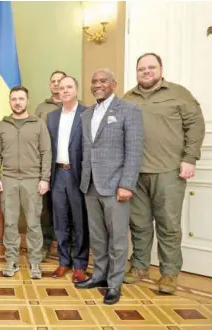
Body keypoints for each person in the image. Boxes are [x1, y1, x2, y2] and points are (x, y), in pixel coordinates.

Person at [122, 53, 205, 294]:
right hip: (135, 173)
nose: (146, 71)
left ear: (160, 69)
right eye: (142, 68)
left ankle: (169, 273)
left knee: (168, 225)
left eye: (151, 67)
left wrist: (190, 158)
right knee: (138, 224)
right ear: (136, 72)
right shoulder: (128, 98)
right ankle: (139, 266)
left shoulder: (179, 94)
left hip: (168, 171)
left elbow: (196, 126)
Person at [76, 69, 143, 305]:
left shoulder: (129, 111)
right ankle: (99, 276)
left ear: (114, 85)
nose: (97, 84)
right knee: (98, 236)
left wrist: (127, 184)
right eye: (94, 81)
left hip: (116, 186)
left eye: (103, 80)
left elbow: (134, 151)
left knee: (117, 238)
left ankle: (115, 283)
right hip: (90, 184)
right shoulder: (87, 114)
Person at [0, 86, 52, 280]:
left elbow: (46, 152)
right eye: (14, 99)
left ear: (27, 101)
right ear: (10, 102)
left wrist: (45, 178)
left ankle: (35, 262)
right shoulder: (3, 125)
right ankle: (12, 261)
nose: (17, 102)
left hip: (33, 180)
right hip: (8, 180)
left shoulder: (39, 124)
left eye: (21, 98)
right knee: (10, 223)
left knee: (34, 223)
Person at [46, 76, 89, 283]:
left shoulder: (87, 114)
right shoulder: (52, 117)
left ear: (76, 90)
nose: (64, 90)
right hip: (58, 174)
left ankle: (80, 264)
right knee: (60, 221)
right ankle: (64, 262)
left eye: (69, 87)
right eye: (61, 88)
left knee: (80, 222)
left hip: (78, 174)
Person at [34, 70, 66, 259]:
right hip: (46, 165)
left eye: (60, 81)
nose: (56, 84)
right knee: (45, 208)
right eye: (53, 81)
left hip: (67, 166)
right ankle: (45, 244)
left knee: (66, 207)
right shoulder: (41, 108)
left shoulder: (77, 107)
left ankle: (67, 247)